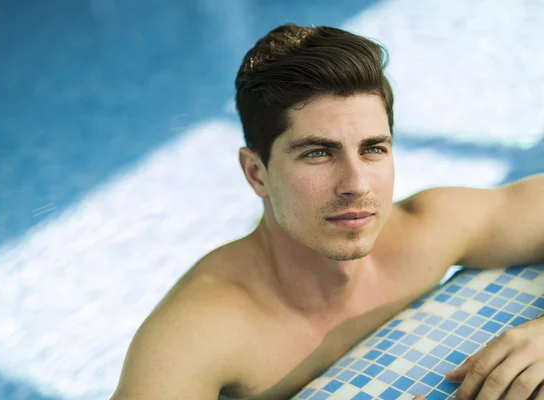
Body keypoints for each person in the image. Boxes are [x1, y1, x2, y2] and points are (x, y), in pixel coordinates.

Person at [110, 23, 544, 400]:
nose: (356, 184)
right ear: (256, 172)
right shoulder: (198, 332)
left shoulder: (427, 229)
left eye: (373, 149)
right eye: (318, 153)